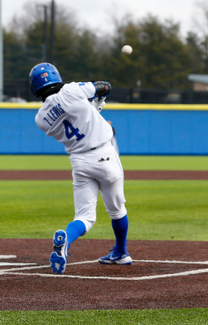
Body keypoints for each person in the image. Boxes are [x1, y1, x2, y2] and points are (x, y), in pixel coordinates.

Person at [30, 62, 131, 275]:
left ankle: (66, 238)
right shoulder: (71, 90)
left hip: (80, 162)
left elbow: (73, 115)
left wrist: (94, 107)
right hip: (105, 155)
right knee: (117, 210)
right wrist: (99, 100)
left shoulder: (40, 119)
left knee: (85, 217)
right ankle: (121, 252)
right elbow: (104, 86)